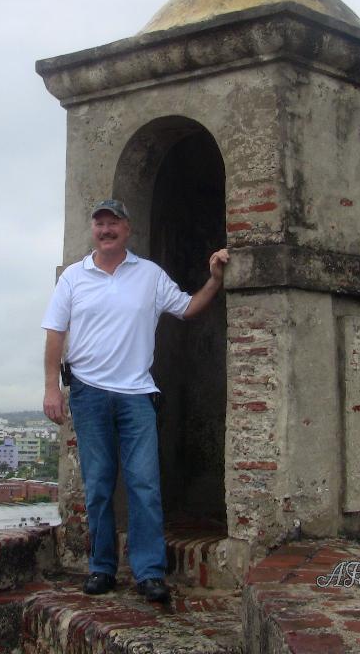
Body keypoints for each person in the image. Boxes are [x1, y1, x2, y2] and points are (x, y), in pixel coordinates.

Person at [42, 198, 228, 603]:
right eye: (99, 224)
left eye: (113, 223)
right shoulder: (74, 277)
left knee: (145, 485)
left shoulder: (149, 275)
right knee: (99, 486)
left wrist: (213, 280)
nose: (105, 230)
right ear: (94, 229)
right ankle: (102, 568)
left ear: (127, 229)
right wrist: (51, 388)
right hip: (88, 392)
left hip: (137, 394)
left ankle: (148, 572)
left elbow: (187, 309)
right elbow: (55, 334)